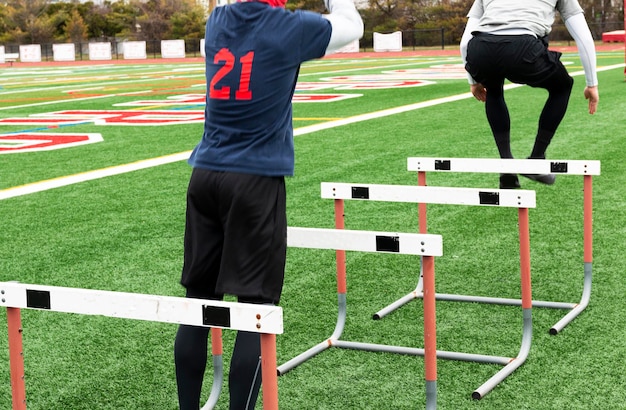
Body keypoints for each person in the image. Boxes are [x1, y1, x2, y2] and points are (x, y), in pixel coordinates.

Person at [173, 0, 363, 408]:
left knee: (197, 306)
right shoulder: (287, 27)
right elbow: (352, 26)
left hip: (205, 172)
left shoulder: (217, 20)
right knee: (256, 313)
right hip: (254, 180)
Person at [460, 0, 599, 189]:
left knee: (493, 90)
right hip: (522, 48)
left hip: (480, 48)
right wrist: (592, 84)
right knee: (562, 86)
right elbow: (583, 38)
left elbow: (464, 43)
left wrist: (473, 81)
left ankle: (507, 167)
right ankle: (536, 159)